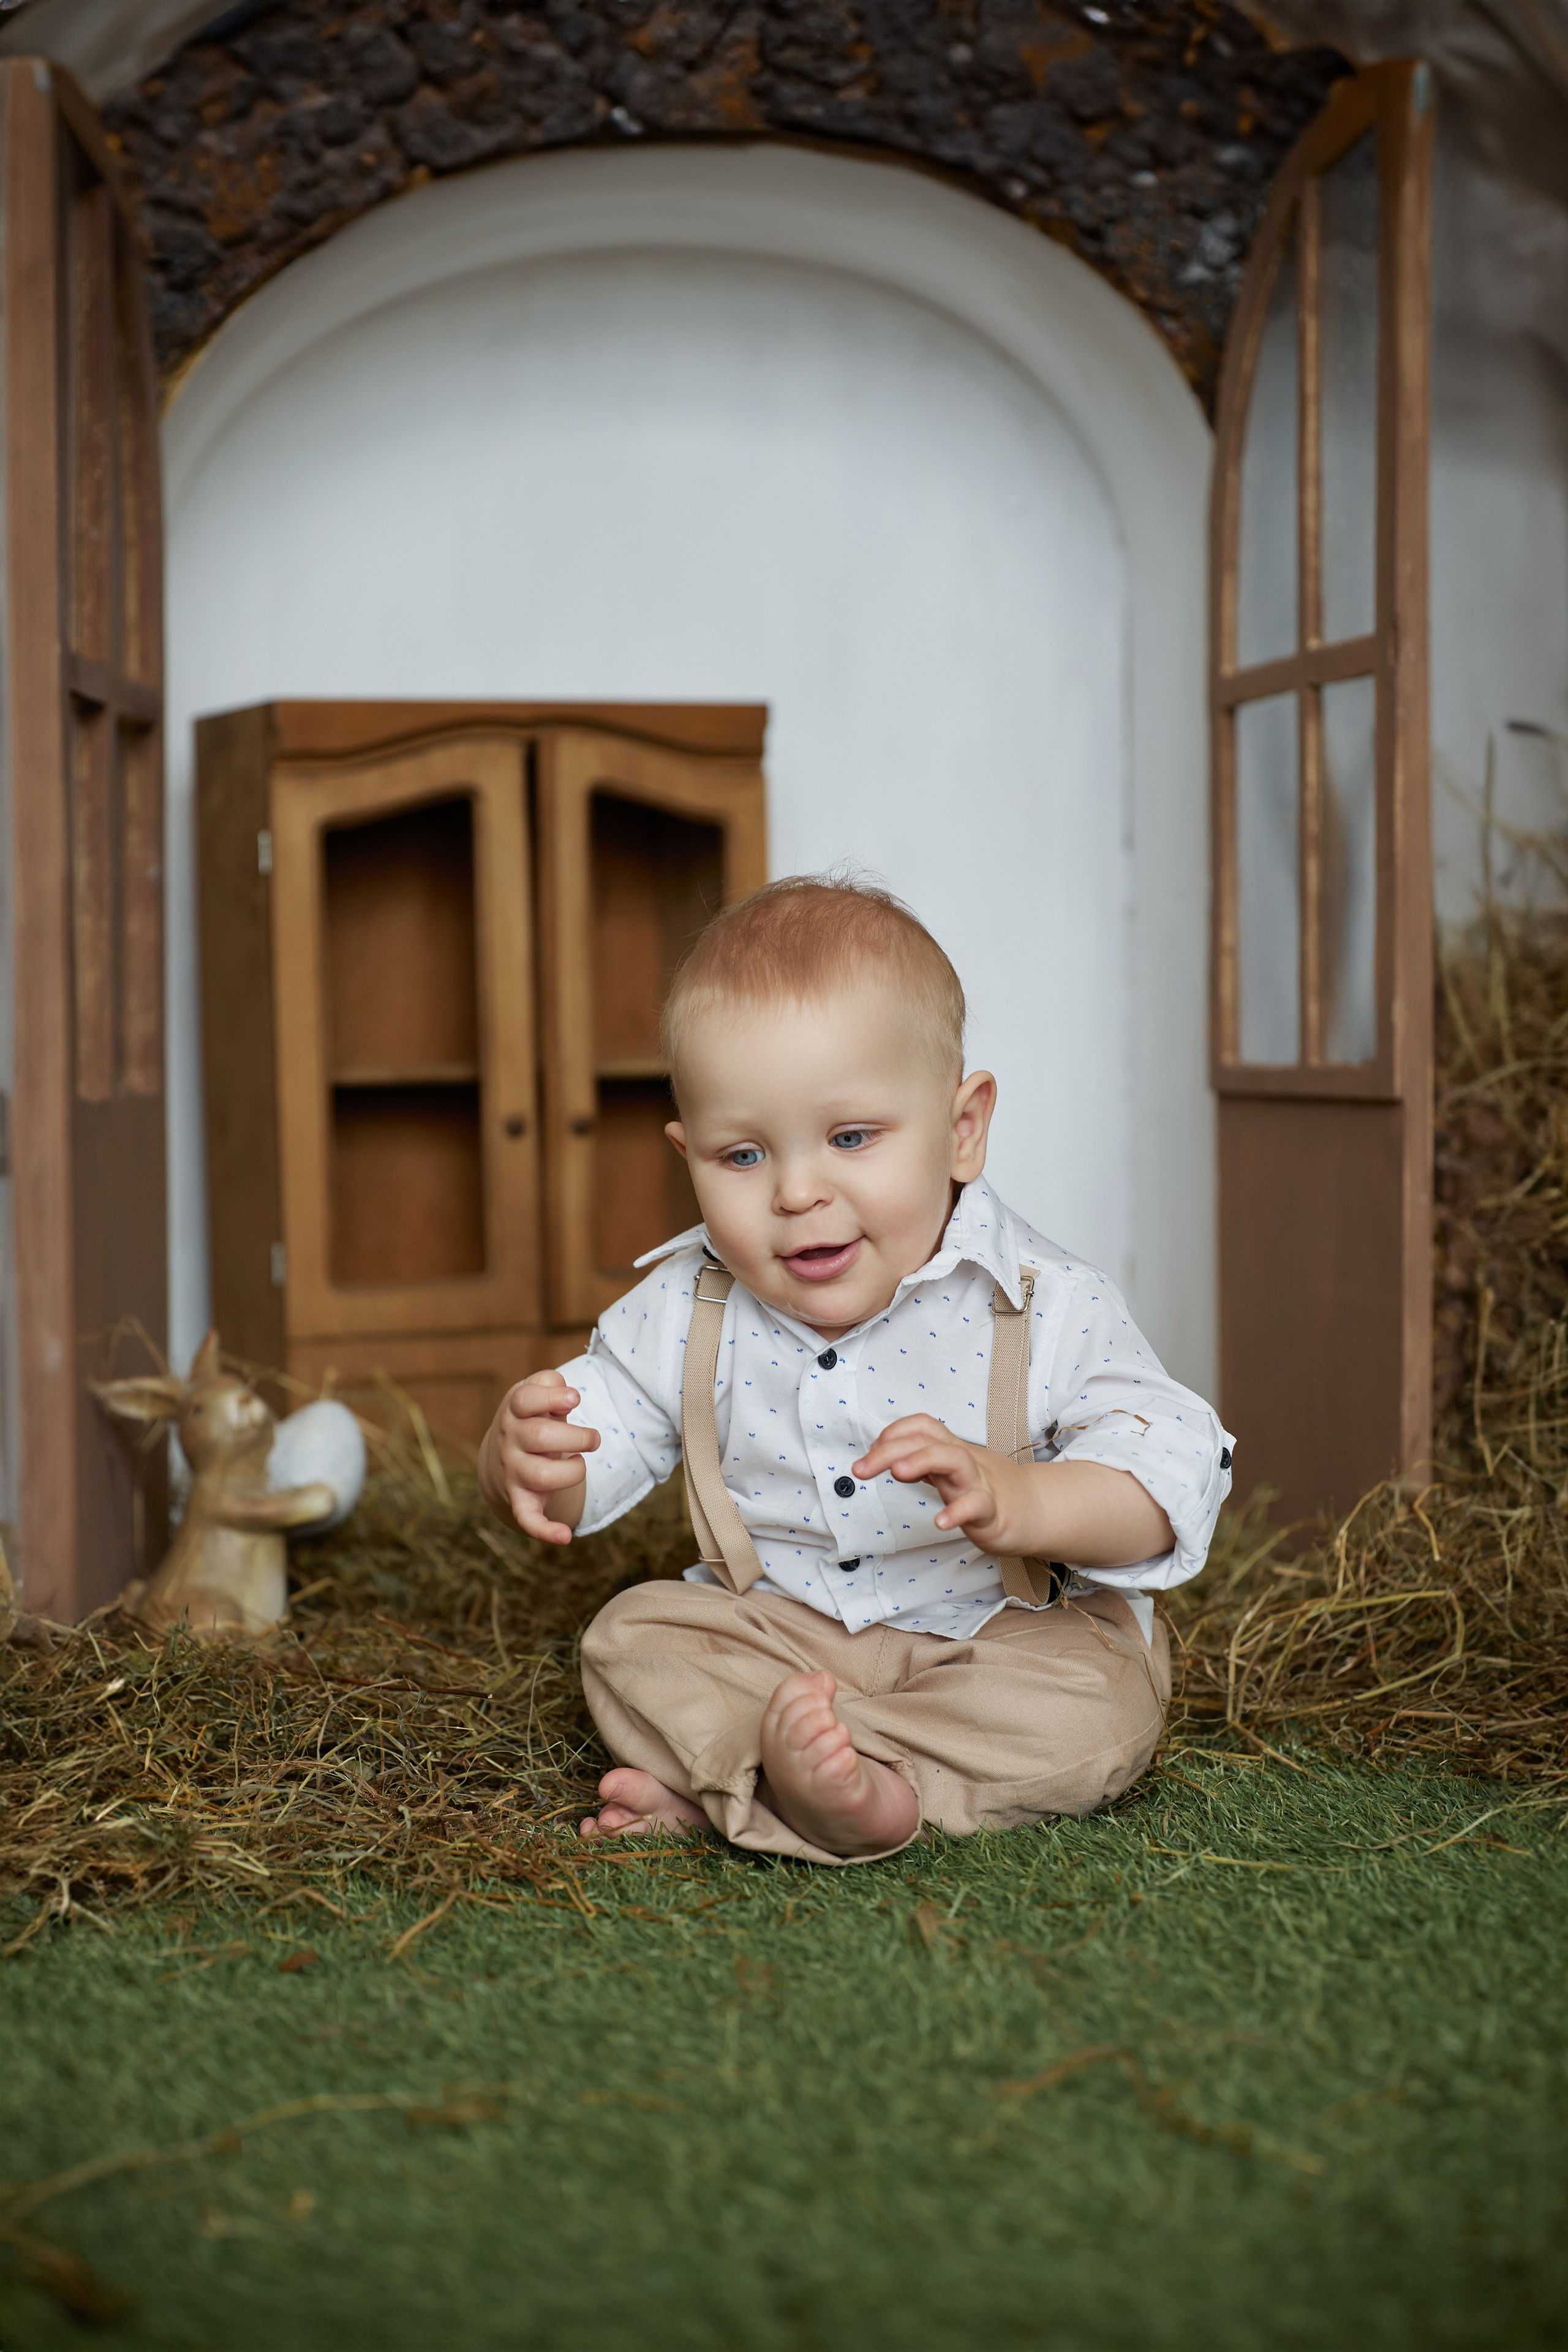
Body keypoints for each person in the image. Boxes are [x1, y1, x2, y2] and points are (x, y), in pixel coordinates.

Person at [478, 876, 1233, 1864]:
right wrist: (531, 1463)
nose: (798, 1192)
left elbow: (1172, 1470)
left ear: (962, 1128)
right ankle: (817, 1782)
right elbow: (598, 1446)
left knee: (1101, 1698)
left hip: (998, 1640)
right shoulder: (684, 1308)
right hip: (781, 1641)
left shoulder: (1045, 1302)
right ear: (688, 1155)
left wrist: (1026, 1501)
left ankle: (758, 1790)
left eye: (850, 1139)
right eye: (743, 1156)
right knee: (631, 1639)